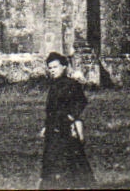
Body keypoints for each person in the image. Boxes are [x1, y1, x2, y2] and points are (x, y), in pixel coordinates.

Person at [39, 52, 95, 189]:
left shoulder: (71, 84)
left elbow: (81, 101)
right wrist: (46, 126)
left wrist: (71, 117)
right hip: (53, 127)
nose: (52, 70)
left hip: (67, 128)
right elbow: (51, 109)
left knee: (71, 159)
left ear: (64, 67)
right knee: (51, 159)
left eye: (55, 67)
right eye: (50, 68)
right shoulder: (53, 86)